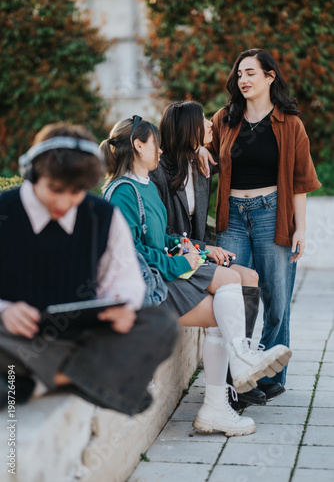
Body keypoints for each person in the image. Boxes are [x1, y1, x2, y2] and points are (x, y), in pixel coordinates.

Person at [99, 115, 292, 436]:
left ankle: (221, 400)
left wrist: (188, 248)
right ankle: (237, 368)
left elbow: (160, 239)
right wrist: (182, 263)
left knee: (225, 303)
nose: (159, 152)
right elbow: (130, 256)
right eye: (154, 145)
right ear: (138, 145)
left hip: (164, 274)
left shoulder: (143, 185)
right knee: (229, 286)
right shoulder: (122, 193)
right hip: (145, 289)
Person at [0, 122, 180, 416]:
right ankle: (85, 381)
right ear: (33, 174)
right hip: (13, 335)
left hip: (79, 338)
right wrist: (5, 309)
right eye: (55, 190)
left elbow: (126, 283)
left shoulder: (103, 217)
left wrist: (122, 310)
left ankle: (34, 381)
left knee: (161, 324)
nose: (63, 203)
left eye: (76, 193)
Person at [198, 48, 321, 400]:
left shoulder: (290, 124)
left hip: (273, 214)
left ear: (270, 77)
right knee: (236, 294)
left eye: (251, 72)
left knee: (276, 299)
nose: (243, 79)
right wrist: (200, 150)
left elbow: (300, 180)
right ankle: (239, 373)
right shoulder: (225, 118)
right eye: (239, 74)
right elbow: (200, 144)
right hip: (232, 214)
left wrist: (300, 228)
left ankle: (270, 374)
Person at [150, 100, 266, 408]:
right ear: (189, 129)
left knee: (251, 277)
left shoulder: (201, 167)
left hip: (196, 255)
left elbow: (229, 155)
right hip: (174, 261)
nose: (212, 123)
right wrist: (204, 251)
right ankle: (232, 383)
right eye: (204, 120)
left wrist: (198, 150)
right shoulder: (159, 173)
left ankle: (236, 376)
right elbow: (162, 238)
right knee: (232, 286)